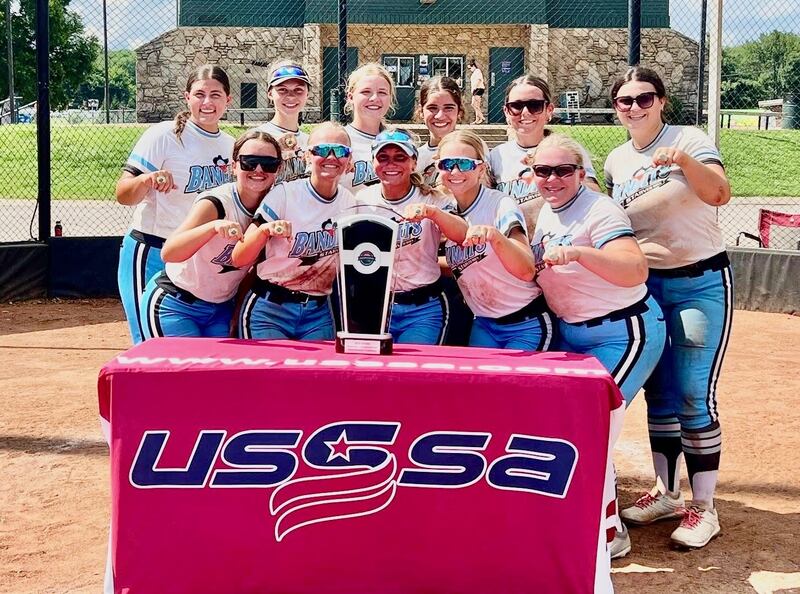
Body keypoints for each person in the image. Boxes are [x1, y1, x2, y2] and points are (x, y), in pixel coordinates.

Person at [604, 66, 733, 550]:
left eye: (645, 98)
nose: (634, 107)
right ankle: (667, 492)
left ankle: (705, 507)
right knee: (658, 394)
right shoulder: (617, 160)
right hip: (645, 285)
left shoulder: (689, 138)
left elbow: (719, 193)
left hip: (698, 280)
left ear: (661, 101)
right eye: (625, 100)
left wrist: (681, 159)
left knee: (693, 394)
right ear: (616, 108)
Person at [528, 134, 668, 559]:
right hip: (572, 333)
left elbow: (634, 268)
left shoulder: (599, 209)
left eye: (563, 171)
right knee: (567, 424)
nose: (552, 179)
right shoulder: (548, 211)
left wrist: (579, 254)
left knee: (593, 424)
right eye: (543, 171)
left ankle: (610, 532)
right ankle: (577, 515)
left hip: (622, 331)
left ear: (581, 173)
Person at [115, 65, 234, 344]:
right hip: (153, 249)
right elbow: (123, 194)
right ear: (187, 97)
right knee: (149, 343)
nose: (207, 102)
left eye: (216, 95)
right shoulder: (163, 135)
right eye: (199, 94)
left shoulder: (231, 146)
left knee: (206, 347)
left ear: (228, 100)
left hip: (199, 259)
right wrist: (145, 180)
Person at [138, 131, 281, 339]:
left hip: (221, 308)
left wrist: (237, 312)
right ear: (234, 166)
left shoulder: (275, 207)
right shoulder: (216, 203)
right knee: (182, 361)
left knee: (222, 361)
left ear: (279, 168)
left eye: (269, 164)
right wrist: (212, 227)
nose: (258, 169)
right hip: (177, 301)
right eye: (249, 162)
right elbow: (169, 253)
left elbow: (254, 272)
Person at [231, 122, 357, 340]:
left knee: (319, 364)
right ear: (307, 156)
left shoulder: (350, 203)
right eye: (321, 150)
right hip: (270, 308)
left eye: (340, 151)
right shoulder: (285, 194)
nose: (331, 157)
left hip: (318, 312)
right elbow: (238, 258)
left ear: (349, 158)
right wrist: (264, 232)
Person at [435, 130, 553, 350]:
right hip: (484, 323)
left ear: (481, 169)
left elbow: (527, 269)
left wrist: (496, 237)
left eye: (465, 164)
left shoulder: (500, 204)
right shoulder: (447, 211)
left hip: (524, 322)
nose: (455, 171)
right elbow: (468, 264)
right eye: (447, 164)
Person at [359, 129, 467, 344]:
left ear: (414, 163)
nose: (391, 164)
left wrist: (433, 214)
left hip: (423, 307)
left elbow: (463, 235)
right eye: (383, 157)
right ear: (373, 162)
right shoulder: (362, 199)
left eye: (400, 157)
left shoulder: (433, 199)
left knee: (413, 363)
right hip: (377, 304)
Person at [488, 75, 600, 238]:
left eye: (535, 106)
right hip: (514, 244)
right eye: (516, 106)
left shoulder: (566, 150)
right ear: (506, 111)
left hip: (560, 241)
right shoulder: (496, 156)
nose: (525, 113)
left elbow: (594, 193)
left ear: (549, 110)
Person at [342, 63, 397, 195]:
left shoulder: (399, 140)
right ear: (350, 97)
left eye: (382, 93)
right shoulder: (339, 140)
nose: (374, 98)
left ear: (390, 98)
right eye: (366, 92)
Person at [254, 60, 311, 183]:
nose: (291, 96)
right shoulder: (256, 137)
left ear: (307, 94)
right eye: (282, 90)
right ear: (270, 93)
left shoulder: (310, 142)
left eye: (298, 89)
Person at [416, 76, 465, 187]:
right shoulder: (415, 157)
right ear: (421, 111)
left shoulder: (472, 152)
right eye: (432, 108)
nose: (440, 116)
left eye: (448, 108)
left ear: (459, 112)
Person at [468, 60, 486, 125]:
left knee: (473, 104)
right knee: (476, 105)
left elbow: (479, 79)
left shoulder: (477, 71)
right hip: (476, 89)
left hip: (478, 89)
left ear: (473, 66)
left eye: (470, 68)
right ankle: (477, 120)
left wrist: (474, 87)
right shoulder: (475, 72)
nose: (470, 70)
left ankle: (482, 117)